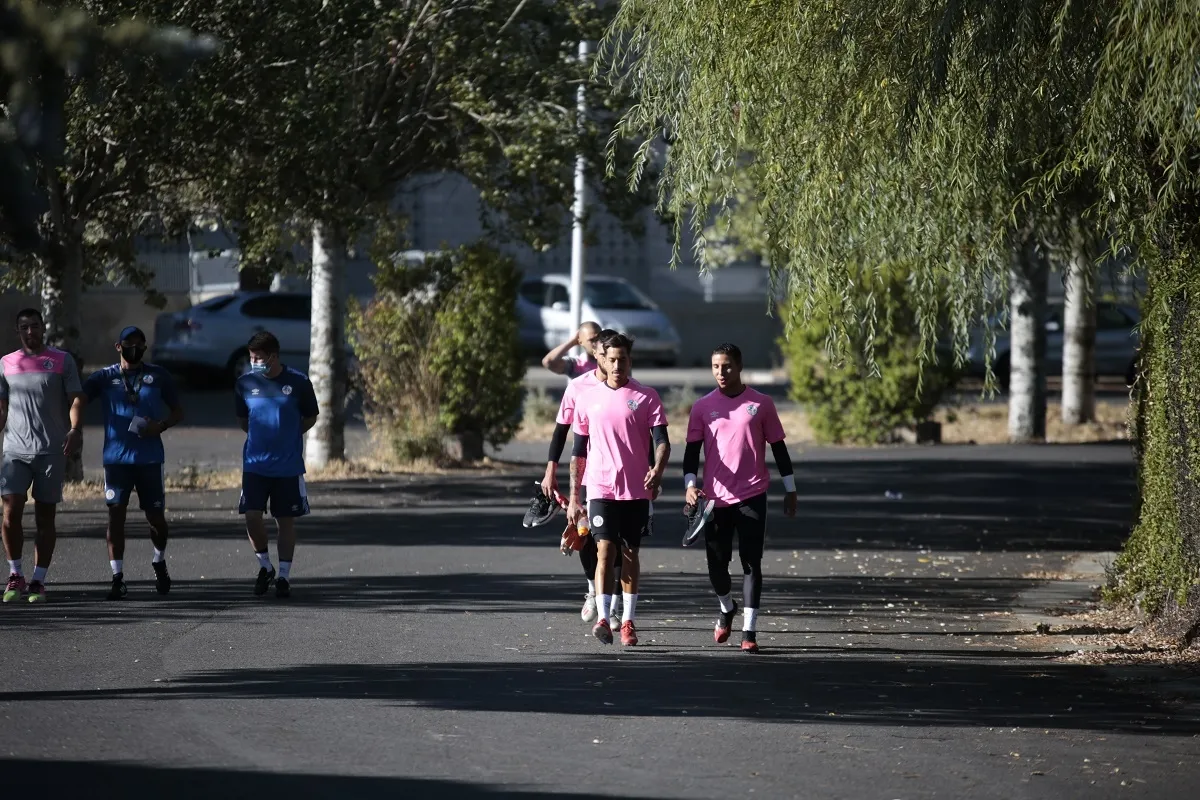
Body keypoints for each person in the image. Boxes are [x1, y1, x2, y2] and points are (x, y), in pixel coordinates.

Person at [682, 343, 797, 653]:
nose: (721, 372)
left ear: (740, 365)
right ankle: (726, 606)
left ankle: (749, 631)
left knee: (751, 563)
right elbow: (691, 454)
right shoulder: (703, 407)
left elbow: (779, 449)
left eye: (727, 365)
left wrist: (790, 489)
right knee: (717, 567)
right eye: (716, 366)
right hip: (714, 500)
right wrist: (690, 484)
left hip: (752, 495)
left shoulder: (761, 404)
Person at [568, 332, 669, 646]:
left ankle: (627, 621)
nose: (616, 365)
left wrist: (658, 469)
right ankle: (602, 618)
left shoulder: (647, 396)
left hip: (635, 490)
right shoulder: (587, 398)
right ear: (601, 359)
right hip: (600, 489)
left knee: (629, 554)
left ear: (629, 360)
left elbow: (663, 442)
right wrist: (574, 497)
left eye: (622, 359)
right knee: (603, 551)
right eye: (611, 359)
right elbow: (578, 452)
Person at [82, 326, 184, 599]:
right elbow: (78, 398)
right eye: (129, 343)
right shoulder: (104, 377)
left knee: (156, 519)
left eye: (140, 344)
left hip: (149, 459)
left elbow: (178, 411)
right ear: (118, 346)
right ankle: (117, 577)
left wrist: (160, 426)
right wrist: (72, 426)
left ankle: (159, 559)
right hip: (116, 460)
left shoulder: (158, 375)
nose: (135, 348)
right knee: (116, 515)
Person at [539, 326, 622, 626]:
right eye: (600, 353)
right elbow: (562, 431)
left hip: (620, 475)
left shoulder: (626, 387)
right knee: (586, 535)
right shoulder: (578, 386)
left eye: (609, 354)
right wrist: (551, 470)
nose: (606, 359)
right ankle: (593, 591)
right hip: (587, 473)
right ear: (595, 355)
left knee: (615, 541)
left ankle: (610, 604)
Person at [0, 308, 85, 603]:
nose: (30, 332)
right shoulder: (6, 363)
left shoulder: (62, 360)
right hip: (15, 450)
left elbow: (75, 397)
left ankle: (38, 580)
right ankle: (15, 574)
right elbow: (2, 408)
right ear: (17, 331)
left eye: (35, 326)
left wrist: (75, 429)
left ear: (42, 328)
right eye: (24, 327)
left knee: (44, 517)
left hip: (51, 450)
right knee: (11, 511)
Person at [234, 331, 319, 598]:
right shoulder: (244, 383)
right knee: (251, 515)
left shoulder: (299, 382)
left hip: (288, 466)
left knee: (286, 521)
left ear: (273, 356)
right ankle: (265, 565)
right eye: (251, 357)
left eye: (258, 358)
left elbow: (311, 417)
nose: (254, 362)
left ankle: (283, 575)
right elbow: (243, 421)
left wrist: (289, 434)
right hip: (255, 464)